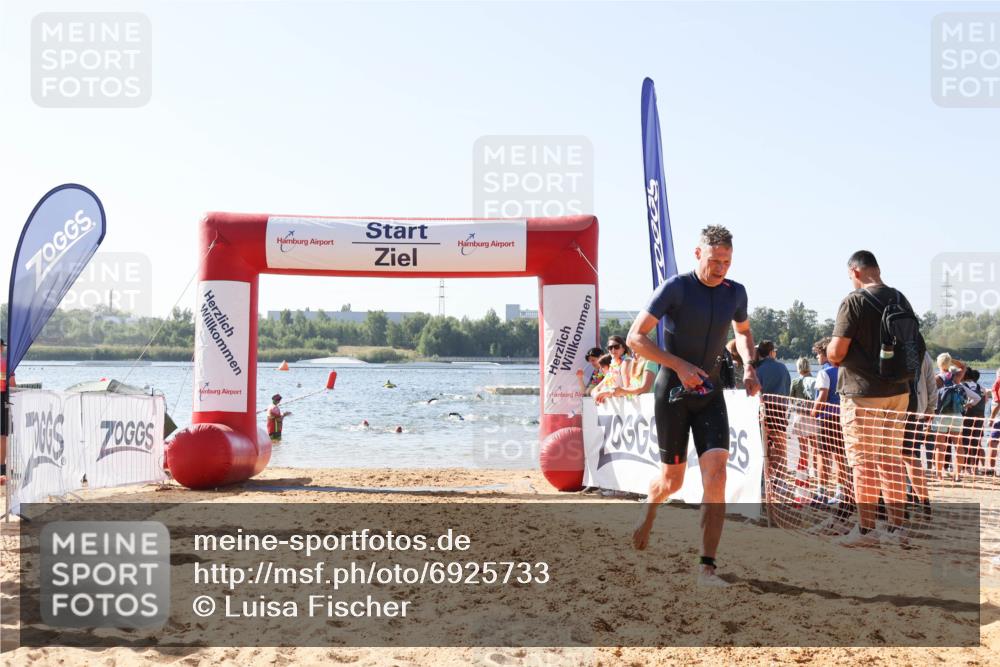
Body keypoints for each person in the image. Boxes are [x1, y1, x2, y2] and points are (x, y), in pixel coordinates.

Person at [626, 225, 760, 587]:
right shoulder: (677, 288)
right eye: (715, 261)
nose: (720, 269)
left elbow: (744, 332)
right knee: (672, 481)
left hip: (710, 394)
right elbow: (635, 338)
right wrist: (679, 366)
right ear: (697, 254)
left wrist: (749, 365)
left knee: (717, 478)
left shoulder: (736, 293)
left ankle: (707, 567)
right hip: (672, 393)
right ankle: (651, 506)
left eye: (727, 262)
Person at [827, 250, 920, 547]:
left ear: (855, 272)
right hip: (899, 392)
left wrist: (832, 353)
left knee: (863, 463)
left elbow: (836, 353)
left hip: (863, 393)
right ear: (876, 269)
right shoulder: (899, 298)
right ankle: (897, 529)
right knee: (891, 461)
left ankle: (866, 530)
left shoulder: (853, 301)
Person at [810, 337, 854, 533]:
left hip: (827, 418)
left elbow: (822, 396)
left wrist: (812, 412)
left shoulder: (824, 372)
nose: (818, 357)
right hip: (843, 417)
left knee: (822, 456)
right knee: (841, 457)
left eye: (819, 354)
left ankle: (822, 491)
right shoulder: (846, 370)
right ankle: (841, 490)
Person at [902, 351, 937, 519]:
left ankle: (905, 501)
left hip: (896, 410)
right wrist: (930, 409)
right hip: (918, 412)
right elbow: (931, 383)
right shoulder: (924, 352)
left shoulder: (891, 343)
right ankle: (923, 501)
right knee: (911, 456)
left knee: (894, 458)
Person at [756, 340, 791, 487]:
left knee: (764, 446)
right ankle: (780, 480)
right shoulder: (782, 367)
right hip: (779, 409)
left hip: (762, 408)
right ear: (771, 352)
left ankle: (766, 479)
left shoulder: (757, 370)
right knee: (781, 447)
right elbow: (787, 387)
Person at [789, 357, 817, 497]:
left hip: (800, 417)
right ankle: (817, 476)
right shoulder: (815, 380)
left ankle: (804, 476)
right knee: (816, 449)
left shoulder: (795, 381)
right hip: (813, 417)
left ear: (798, 367)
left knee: (803, 450)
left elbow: (791, 400)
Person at [960, 368, 987, 475]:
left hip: (968, 417)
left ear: (964, 376)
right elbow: (985, 400)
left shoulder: (963, 386)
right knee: (976, 442)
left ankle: (965, 467)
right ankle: (975, 468)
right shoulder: (981, 387)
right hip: (980, 417)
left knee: (965, 442)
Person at [0, 338, 13, 486]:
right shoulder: (5, 363)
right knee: (3, 434)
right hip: (2, 396)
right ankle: (2, 468)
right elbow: (12, 384)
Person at [986, 369, 1000, 476]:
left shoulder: (997, 384)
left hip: (998, 421)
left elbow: (998, 403)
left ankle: (991, 469)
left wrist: (991, 418)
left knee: (992, 443)